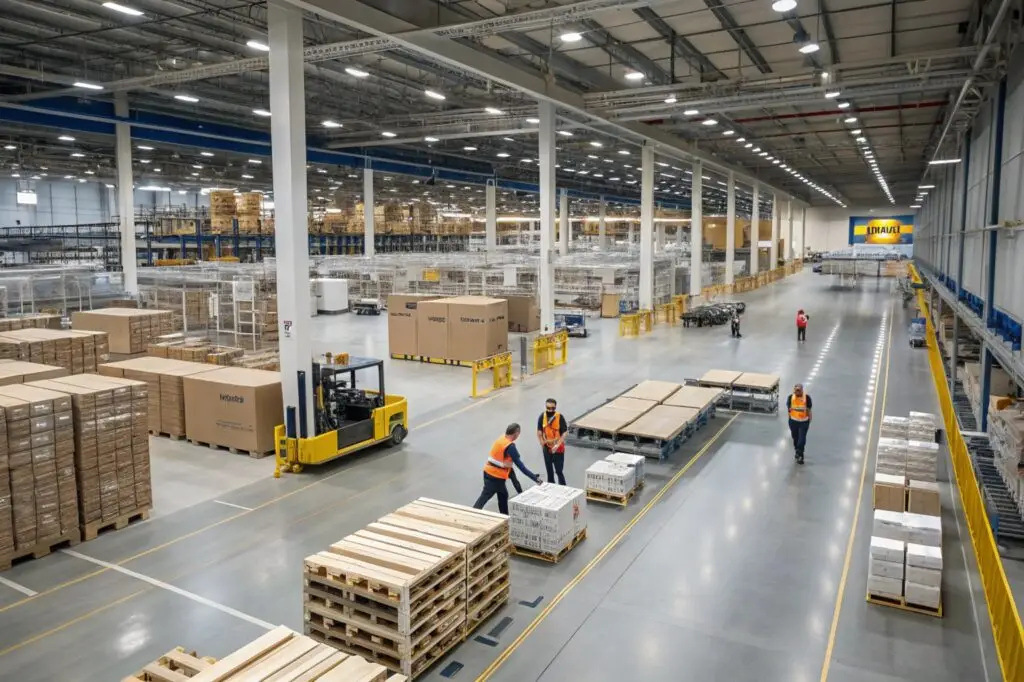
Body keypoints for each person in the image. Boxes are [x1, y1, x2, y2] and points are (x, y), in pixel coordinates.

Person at [473, 423, 542, 514]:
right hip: (495, 476)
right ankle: (472, 513)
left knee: (503, 495)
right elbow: (521, 467)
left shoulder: (502, 439)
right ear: (516, 433)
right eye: (519, 433)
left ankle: (504, 517)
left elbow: (513, 475)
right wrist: (535, 479)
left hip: (489, 472)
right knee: (485, 497)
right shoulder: (510, 447)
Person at [537, 398, 568, 485]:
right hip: (547, 448)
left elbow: (564, 433)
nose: (550, 410)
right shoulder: (542, 417)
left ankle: (563, 488)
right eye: (548, 408)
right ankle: (551, 489)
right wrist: (541, 442)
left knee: (558, 471)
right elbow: (539, 431)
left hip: (558, 448)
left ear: (555, 408)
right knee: (549, 472)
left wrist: (557, 445)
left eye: (552, 408)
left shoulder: (559, 417)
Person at [787, 383, 812, 464]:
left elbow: (809, 410)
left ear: (802, 390)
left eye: (799, 390)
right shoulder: (790, 398)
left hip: (804, 422)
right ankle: (797, 450)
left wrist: (809, 421)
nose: (797, 392)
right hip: (793, 421)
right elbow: (789, 409)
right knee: (795, 437)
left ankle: (800, 454)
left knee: (802, 439)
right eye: (796, 390)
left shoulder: (807, 398)